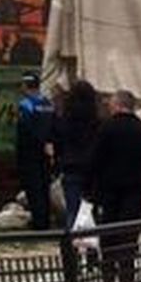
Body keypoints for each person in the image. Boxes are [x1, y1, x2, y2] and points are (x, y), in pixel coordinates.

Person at [88, 89, 141, 282]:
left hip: (109, 189)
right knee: (129, 232)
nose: (109, 107)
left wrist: (90, 187)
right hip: (135, 190)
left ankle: (108, 272)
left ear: (118, 105)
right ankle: (127, 276)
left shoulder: (106, 128)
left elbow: (95, 159)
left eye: (111, 104)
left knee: (108, 230)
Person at [55, 80, 100, 230]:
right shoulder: (96, 121)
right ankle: (91, 247)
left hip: (71, 167)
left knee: (72, 210)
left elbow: (58, 143)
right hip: (92, 169)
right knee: (89, 210)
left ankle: (71, 247)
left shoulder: (65, 120)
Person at [14, 71, 56, 229]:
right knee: (44, 187)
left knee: (33, 188)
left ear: (26, 86)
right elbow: (53, 128)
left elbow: (25, 130)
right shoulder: (48, 104)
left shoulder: (26, 105)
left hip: (29, 153)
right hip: (46, 152)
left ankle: (38, 222)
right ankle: (44, 219)